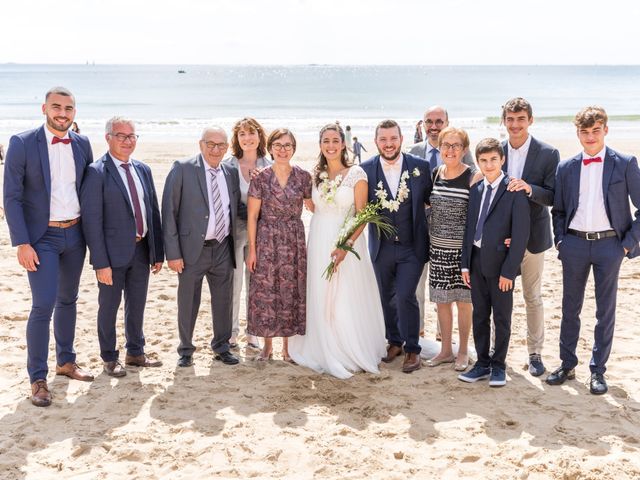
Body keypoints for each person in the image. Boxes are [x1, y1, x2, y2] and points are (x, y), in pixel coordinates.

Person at [3, 86, 94, 407]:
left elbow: (89, 192)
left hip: (75, 235)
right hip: (41, 238)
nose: (62, 113)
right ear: (44, 108)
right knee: (43, 305)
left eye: (68, 108)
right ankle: (38, 378)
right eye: (57, 107)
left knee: (68, 299)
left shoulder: (83, 143)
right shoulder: (22, 143)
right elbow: (11, 197)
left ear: (74, 113)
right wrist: (22, 242)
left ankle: (66, 362)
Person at [547, 106, 640, 395]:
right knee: (569, 308)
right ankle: (567, 363)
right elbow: (559, 210)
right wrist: (561, 241)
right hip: (573, 244)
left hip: (610, 246)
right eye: (584, 132)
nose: (590, 137)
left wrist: (626, 244)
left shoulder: (625, 163)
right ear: (577, 133)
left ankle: (598, 371)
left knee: (605, 310)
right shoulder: (566, 167)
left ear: (606, 130)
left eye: (595, 130)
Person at [288, 123, 386, 378]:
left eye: (335, 140)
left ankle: (346, 349)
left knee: (345, 295)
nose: (330, 145)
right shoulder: (314, 175)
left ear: (343, 143)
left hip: (346, 242)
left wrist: (346, 246)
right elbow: (306, 201)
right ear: (320, 145)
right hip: (319, 237)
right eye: (325, 141)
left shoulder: (357, 174)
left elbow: (363, 216)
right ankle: (322, 346)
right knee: (321, 293)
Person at [80, 117, 164, 377]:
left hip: (141, 251)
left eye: (132, 136)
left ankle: (135, 352)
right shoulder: (96, 172)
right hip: (111, 255)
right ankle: (109, 357)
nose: (128, 141)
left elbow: (153, 211)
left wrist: (156, 251)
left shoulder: (143, 170)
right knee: (109, 306)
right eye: (121, 136)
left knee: (137, 304)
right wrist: (100, 263)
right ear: (108, 138)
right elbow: (91, 222)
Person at [162, 126, 243, 368]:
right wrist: (173, 254)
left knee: (224, 300)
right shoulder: (183, 169)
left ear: (227, 148)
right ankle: (186, 350)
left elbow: (235, 207)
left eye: (221, 145)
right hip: (191, 250)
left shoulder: (230, 171)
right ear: (201, 144)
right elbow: (169, 212)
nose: (215, 149)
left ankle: (221, 346)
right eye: (211, 144)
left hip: (222, 248)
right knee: (188, 301)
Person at [360, 119, 432, 373]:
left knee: (405, 295)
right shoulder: (365, 169)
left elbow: (432, 199)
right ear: (376, 141)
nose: (388, 144)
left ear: (401, 139)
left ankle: (413, 349)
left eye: (393, 139)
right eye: (383, 139)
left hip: (412, 247)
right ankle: (395, 342)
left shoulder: (421, 167)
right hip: (381, 246)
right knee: (386, 296)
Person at [459, 138, 530, 387]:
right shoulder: (476, 189)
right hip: (476, 262)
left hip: (501, 266)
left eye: (493, 160)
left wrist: (509, 271)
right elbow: (470, 228)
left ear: (502, 160)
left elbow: (520, 236)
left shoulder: (513, 190)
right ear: (477, 162)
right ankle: (482, 363)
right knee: (480, 314)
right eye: (483, 160)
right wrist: (465, 264)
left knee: (501, 317)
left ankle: (499, 365)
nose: (488, 165)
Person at [500, 97, 560, 377]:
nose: (515, 125)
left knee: (532, 297)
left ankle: (535, 354)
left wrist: (529, 188)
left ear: (530, 120)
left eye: (520, 119)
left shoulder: (548, 153)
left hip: (534, 238)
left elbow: (553, 196)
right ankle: (499, 352)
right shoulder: (495, 150)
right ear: (504, 121)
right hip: (501, 240)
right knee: (500, 298)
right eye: (510, 119)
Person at [246, 128, 312, 362]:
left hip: (294, 239)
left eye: (287, 145)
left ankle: (287, 348)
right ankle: (267, 347)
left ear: (294, 148)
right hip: (266, 237)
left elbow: (314, 206)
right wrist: (252, 250)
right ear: (271, 148)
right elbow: (252, 216)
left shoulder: (304, 177)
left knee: (290, 291)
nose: (283, 150)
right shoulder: (260, 177)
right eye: (278, 145)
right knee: (266, 292)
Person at [409, 105, 475, 337]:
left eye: (439, 121)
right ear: (423, 124)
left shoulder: (466, 160)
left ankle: (442, 336)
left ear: (447, 123)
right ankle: (418, 332)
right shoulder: (414, 151)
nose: (434, 126)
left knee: (455, 295)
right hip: (422, 233)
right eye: (429, 121)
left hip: (455, 241)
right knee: (421, 287)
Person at [425, 127, 483, 372]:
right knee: (442, 302)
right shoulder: (436, 174)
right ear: (439, 148)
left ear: (465, 149)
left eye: (456, 145)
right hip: (437, 250)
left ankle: (462, 352)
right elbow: (428, 206)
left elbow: (480, 216)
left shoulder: (473, 177)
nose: (450, 150)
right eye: (446, 145)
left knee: (463, 302)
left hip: (462, 254)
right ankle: (446, 350)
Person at [223, 117, 272, 351]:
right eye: (242, 134)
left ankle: (253, 333)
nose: (247, 138)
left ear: (259, 136)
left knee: (256, 284)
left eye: (251, 133)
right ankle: (231, 332)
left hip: (260, 232)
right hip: (233, 232)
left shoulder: (269, 164)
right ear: (237, 138)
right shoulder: (228, 165)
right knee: (234, 282)